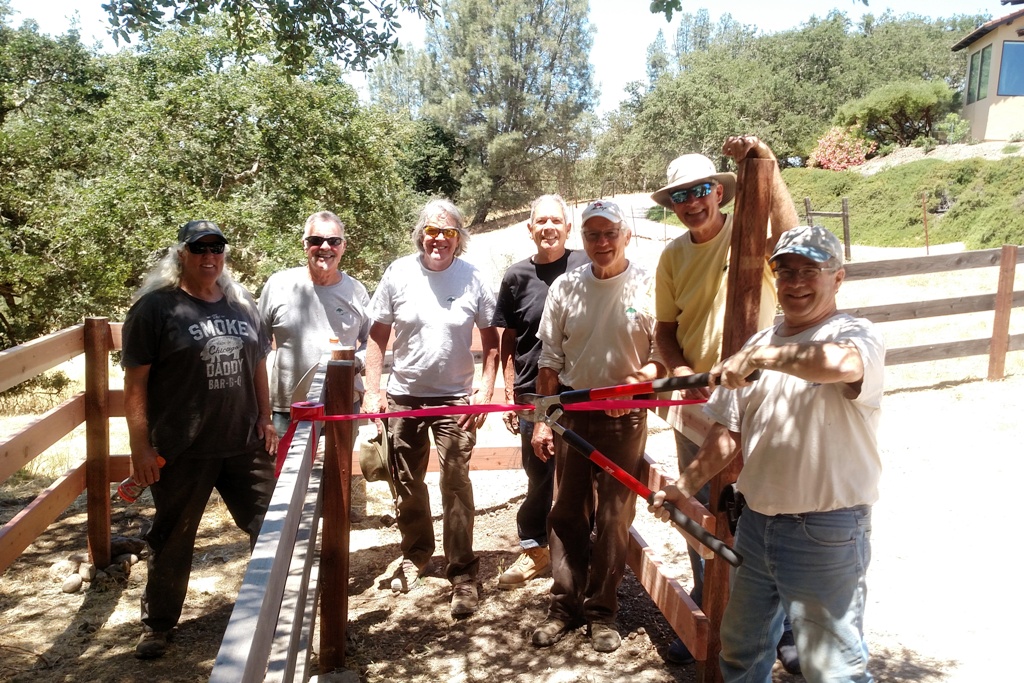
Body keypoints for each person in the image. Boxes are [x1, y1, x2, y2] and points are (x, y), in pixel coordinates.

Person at [650, 225, 884, 682]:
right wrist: (681, 489)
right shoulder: (758, 344)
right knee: (740, 652)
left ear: (837, 279)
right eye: (785, 270)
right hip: (756, 525)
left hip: (826, 529)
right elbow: (727, 436)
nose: (795, 282)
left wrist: (763, 358)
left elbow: (842, 365)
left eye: (809, 270)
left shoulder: (855, 334)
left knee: (832, 670)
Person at [650, 135, 802, 671]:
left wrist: (767, 164)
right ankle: (707, 611)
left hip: (756, 399)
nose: (690, 202)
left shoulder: (748, 234)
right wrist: (681, 371)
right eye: (679, 196)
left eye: (699, 190)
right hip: (695, 403)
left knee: (763, 509)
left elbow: (792, 235)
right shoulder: (671, 256)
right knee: (700, 512)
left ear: (719, 191)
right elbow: (664, 332)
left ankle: (779, 626)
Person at [122, 220, 278, 659]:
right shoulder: (156, 310)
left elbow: (259, 365)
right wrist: (141, 448)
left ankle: (271, 611)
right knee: (173, 536)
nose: (209, 256)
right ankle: (157, 624)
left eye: (217, 248)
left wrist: (266, 419)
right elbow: (134, 385)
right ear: (182, 255)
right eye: (199, 249)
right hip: (181, 447)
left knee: (271, 528)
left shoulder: (241, 305)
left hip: (243, 442)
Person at [529, 199, 664, 653]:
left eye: (610, 233)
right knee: (566, 510)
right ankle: (564, 606)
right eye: (592, 235)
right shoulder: (566, 287)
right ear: (581, 239)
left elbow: (660, 358)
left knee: (613, 515)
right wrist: (544, 422)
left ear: (626, 236)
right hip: (572, 414)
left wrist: (634, 391)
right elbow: (549, 361)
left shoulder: (648, 286)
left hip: (625, 418)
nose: (602, 242)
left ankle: (602, 612)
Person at [362, 198, 499, 618]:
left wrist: (485, 389)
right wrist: (373, 390)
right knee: (406, 481)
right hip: (404, 396)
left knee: (456, 483)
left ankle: (462, 572)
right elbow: (377, 337)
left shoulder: (474, 276)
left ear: (460, 238)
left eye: (448, 232)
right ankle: (416, 554)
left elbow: (492, 339)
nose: (439, 238)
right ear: (421, 233)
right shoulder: (398, 272)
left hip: (456, 399)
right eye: (432, 230)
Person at [492, 194, 589, 590]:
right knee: (539, 473)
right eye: (540, 221)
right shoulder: (516, 277)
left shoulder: (587, 264)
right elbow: (508, 340)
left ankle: (582, 549)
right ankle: (535, 549)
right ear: (529, 228)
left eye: (556, 220)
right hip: (533, 391)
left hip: (582, 387)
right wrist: (508, 388)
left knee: (584, 476)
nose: (548, 227)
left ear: (568, 226)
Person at [259, 211, 370, 434]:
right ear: (304, 244)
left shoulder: (357, 291)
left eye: (334, 241)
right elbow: (257, 347)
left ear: (343, 246)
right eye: (316, 240)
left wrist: (354, 363)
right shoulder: (278, 285)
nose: (325, 247)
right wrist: (262, 413)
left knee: (341, 470)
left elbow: (372, 344)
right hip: (288, 408)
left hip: (343, 404)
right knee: (286, 470)